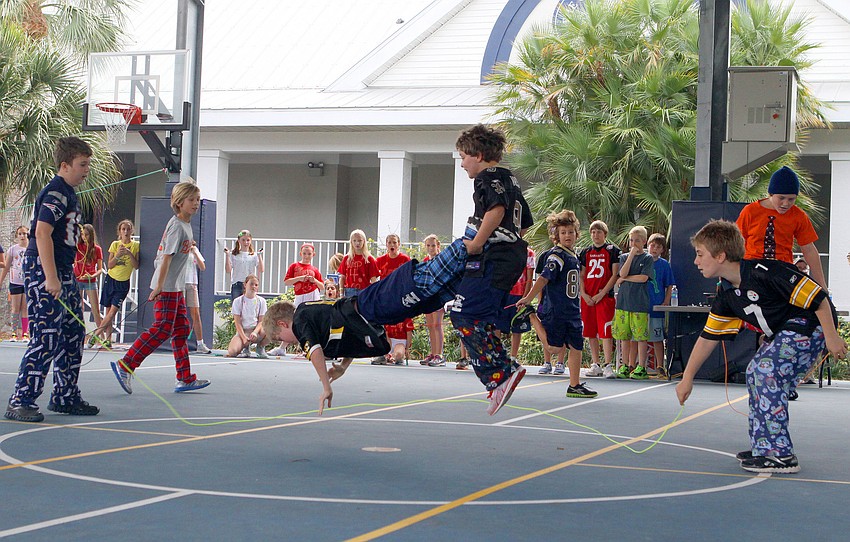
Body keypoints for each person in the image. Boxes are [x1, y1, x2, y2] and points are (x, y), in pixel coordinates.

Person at [676, 219, 847, 473]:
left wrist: (832, 337)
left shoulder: (765, 272)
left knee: (764, 370)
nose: (696, 261)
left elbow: (818, 297)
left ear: (721, 255)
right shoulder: (726, 296)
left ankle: (780, 455)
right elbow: (707, 337)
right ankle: (764, 447)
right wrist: (687, 378)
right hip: (785, 331)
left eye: (700, 254)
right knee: (756, 374)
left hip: (812, 324)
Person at [4, 136, 99, 422]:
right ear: (64, 165)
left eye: (88, 165)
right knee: (46, 336)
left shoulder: (70, 193)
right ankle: (21, 400)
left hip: (64, 269)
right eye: (82, 165)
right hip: (46, 269)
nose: (86, 170)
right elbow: (41, 232)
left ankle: (65, 395)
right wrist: (51, 277)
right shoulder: (56, 192)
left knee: (73, 332)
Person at [448, 124, 533, 414]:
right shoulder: (510, 178)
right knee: (480, 315)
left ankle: (500, 374)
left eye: (463, 157)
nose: (462, 164)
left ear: (479, 154)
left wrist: (476, 243)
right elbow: (522, 222)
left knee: (462, 312)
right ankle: (502, 369)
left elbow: (496, 210)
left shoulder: (487, 177)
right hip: (509, 256)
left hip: (495, 257)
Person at [110, 181, 210, 395]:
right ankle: (126, 365)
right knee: (162, 329)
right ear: (179, 202)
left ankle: (184, 378)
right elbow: (165, 259)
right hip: (166, 288)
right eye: (191, 200)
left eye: (197, 200)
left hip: (176, 288)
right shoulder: (176, 226)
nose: (195, 204)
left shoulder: (186, 225)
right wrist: (159, 286)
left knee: (182, 328)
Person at [517, 210, 597, 398]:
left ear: (576, 234)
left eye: (570, 232)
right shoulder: (556, 256)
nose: (567, 236)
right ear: (556, 236)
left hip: (572, 310)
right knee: (554, 348)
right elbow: (544, 278)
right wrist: (529, 298)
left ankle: (574, 385)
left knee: (577, 346)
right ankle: (531, 316)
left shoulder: (573, 256)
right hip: (557, 309)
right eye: (563, 233)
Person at [736, 166, 825, 288]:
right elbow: (736, 244)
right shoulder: (750, 211)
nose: (785, 204)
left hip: (782, 272)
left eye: (791, 199)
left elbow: (809, 249)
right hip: (752, 270)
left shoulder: (798, 215)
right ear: (771, 194)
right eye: (781, 198)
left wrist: (821, 285)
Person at [579, 220, 620, 378]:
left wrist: (601, 294)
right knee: (590, 330)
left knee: (605, 331)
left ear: (605, 234)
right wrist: (584, 294)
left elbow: (614, 274)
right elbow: (581, 275)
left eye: (599, 232)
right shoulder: (585, 252)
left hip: (603, 296)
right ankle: (595, 363)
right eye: (593, 232)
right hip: (588, 297)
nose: (596, 235)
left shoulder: (612, 250)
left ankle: (608, 364)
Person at [613, 225, 655, 380]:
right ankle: (625, 365)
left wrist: (624, 279)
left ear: (644, 241)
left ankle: (641, 366)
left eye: (637, 240)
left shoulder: (648, 258)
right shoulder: (624, 257)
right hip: (624, 303)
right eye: (631, 240)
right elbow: (622, 272)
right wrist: (630, 256)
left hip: (639, 304)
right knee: (624, 336)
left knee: (640, 337)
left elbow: (643, 278)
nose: (634, 243)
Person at [97, 219, 139, 348]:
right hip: (111, 279)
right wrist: (118, 255)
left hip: (123, 283)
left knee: (113, 312)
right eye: (123, 229)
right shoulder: (115, 244)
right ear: (119, 232)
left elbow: (136, 266)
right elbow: (109, 265)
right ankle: (108, 340)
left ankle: (96, 334)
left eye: (128, 229)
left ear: (132, 231)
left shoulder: (135, 245)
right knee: (108, 309)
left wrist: (129, 253)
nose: (126, 232)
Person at [373, 234, 413, 366]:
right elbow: (373, 277)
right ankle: (382, 353)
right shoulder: (380, 260)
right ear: (386, 244)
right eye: (389, 242)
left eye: (394, 242)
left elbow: (409, 278)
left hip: (400, 296)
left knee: (400, 318)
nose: (392, 245)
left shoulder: (405, 259)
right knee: (383, 322)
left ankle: (398, 354)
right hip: (385, 297)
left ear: (399, 244)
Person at [646, 233, 676, 374]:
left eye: (658, 247)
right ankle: (637, 364)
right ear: (648, 245)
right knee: (638, 338)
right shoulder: (642, 261)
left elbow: (669, 285)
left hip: (657, 307)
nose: (654, 249)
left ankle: (660, 365)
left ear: (662, 250)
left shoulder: (664, 265)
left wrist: (666, 301)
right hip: (641, 307)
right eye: (652, 245)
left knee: (658, 338)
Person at [73, 224, 104, 345]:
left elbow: (100, 269)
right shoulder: (78, 247)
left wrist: (92, 276)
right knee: (79, 309)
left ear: (91, 235)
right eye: (82, 234)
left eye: (87, 234)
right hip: (78, 280)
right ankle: (80, 336)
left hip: (90, 281)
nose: (84, 237)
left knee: (95, 310)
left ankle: (101, 337)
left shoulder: (97, 249)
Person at [227, 274, 269, 358]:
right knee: (232, 352)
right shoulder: (237, 301)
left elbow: (261, 321)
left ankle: (260, 347)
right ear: (245, 284)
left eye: (256, 285)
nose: (253, 287)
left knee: (271, 329)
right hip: (244, 331)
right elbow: (237, 322)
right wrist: (243, 337)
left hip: (257, 331)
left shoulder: (262, 301)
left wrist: (255, 332)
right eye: (251, 284)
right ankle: (245, 348)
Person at [0, 226, 29, 342]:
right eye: (20, 234)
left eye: (25, 234)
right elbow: (6, 266)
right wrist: (1, 280)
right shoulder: (12, 249)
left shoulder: (31, 248)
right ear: (17, 236)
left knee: (25, 307)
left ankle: (25, 333)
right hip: (15, 281)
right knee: (15, 307)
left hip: (27, 281)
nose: (23, 236)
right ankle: (14, 333)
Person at [421, 234, 446, 366]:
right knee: (430, 325)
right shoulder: (425, 260)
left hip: (439, 295)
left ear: (438, 246)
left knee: (437, 324)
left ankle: (439, 354)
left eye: (433, 245)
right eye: (428, 245)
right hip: (428, 295)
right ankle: (432, 352)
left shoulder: (441, 259)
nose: (431, 248)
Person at [184, 242, 211, 354]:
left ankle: (200, 343)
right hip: (179, 284)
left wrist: (194, 252)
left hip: (192, 283)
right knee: (177, 313)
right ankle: (177, 341)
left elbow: (202, 267)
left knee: (195, 313)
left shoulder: (194, 250)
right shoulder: (177, 248)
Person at [224, 229, 264, 302]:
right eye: (243, 240)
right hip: (237, 283)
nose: (246, 242)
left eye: (248, 240)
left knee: (249, 305)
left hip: (249, 284)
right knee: (236, 307)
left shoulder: (254, 255)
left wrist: (259, 256)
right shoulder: (234, 254)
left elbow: (261, 269)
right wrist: (227, 256)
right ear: (239, 241)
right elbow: (228, 270)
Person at [338, 229, 378, 297]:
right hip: (349, 291)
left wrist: (374, 293)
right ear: (351, 242)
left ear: (364, 242)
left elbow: (373, 278)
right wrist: (341, 292)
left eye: (360, 240)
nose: (357, 243)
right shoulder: (347, 258)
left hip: (364, 290)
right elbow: (342, 277)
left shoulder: (369, 259)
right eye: (354, 241)